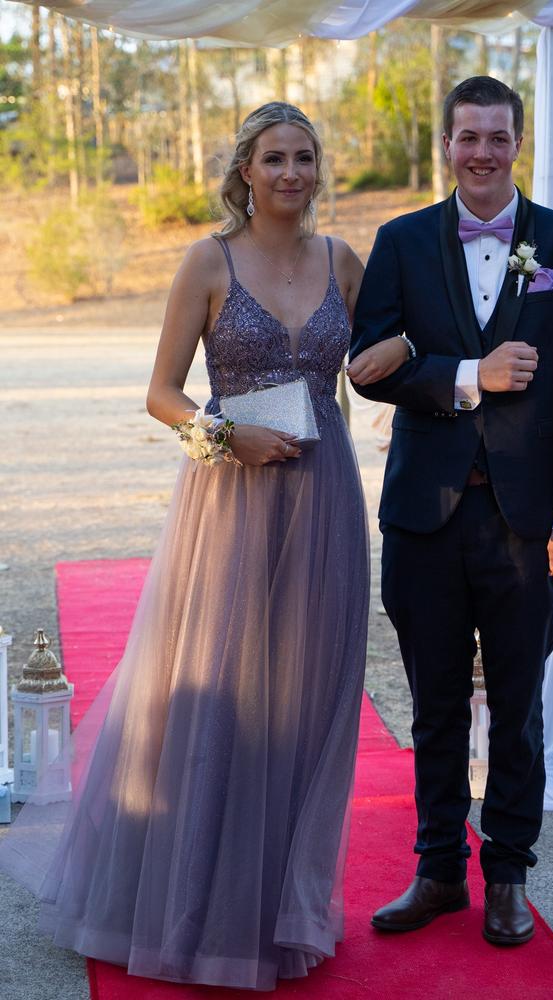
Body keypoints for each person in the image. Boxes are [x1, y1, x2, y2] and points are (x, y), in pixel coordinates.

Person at [0, 102, 403, 990]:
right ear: (245, 173)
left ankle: (281, 902)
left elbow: (379, 362)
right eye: (274, 159)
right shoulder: (206, 261)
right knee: (220, 693)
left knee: (308, 694)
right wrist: (226, 438)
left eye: (305, 157)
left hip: (324, 496)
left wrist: (412, 352)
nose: (292, 173)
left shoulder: (342, 259)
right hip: (230, 496)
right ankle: (187, 900)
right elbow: (160, 394)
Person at [347, 76, 553, 946]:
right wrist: (468, 375)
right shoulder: (401, 240)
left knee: (522, 706)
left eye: (498, 137)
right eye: (468, 137)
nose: (483, 152)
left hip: (531, 522)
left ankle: (507, 876)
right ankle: (435, 872)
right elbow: (371, 364)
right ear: (446, 144)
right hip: (425, 512)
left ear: (518, 142)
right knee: (434, 706)